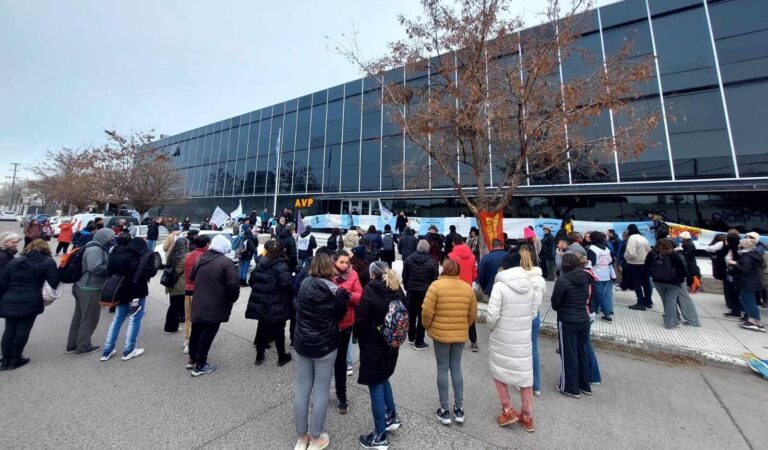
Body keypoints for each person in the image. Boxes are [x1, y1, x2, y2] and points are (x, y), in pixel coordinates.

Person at [293, 253, 349, 450]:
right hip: (325, 344)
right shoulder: (336, 291)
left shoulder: (304, 283)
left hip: (302, 342)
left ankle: (301, 437)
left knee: (302, 389)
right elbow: (340, 315)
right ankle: (316, 436)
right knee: (321, 390)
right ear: (330, 267)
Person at [486, 251, 542, 432]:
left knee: (499, 372)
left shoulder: (500, 286)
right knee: (525, 376)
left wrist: (492, 327)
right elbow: (534, 311)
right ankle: (527, 416)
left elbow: (492, 315)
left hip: (502, 335)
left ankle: (507, 409)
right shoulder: (531, 284)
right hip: (523, 336)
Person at [356, 261, 405, 449]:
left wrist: (358, 336)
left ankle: (379, 436)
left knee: (375, 385)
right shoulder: (396, 287)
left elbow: (361, 319)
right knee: (384, 377)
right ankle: (391, 415)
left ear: (372, 275)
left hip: (373, 345)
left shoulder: (370, 290)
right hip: (392, 344)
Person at [422, 259, 477, 426]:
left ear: (443, 270)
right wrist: (464, 326)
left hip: (440, 335)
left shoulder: (435, 287)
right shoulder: (467, 288)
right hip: (459, 334)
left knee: (442, 368)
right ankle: (459, 408)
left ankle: (444, 410)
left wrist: (427, 326)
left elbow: (426, 311)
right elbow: (472, 313)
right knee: (456, 367)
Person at [0, 239, 60, 370]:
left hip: (10, 298)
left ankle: (5, 360)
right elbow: (54, 281)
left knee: (9, 329)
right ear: (46, 248)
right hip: (32, 298)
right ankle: (16, 358)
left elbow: (3, 281)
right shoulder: (48, 261)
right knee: (23, 329)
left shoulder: (14, 261)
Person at [188, 235, 241, 376]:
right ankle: (200, 365)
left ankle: (192, 359)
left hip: (199, 302)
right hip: (215, 305)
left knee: (196, 330)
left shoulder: (202, 258)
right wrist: (231, 299)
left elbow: (191, 276)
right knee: (208, 333)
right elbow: (233, 285)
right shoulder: (226, 262)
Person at [100, 236, 154, 362]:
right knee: (135, 319)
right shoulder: (136, 257)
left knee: (117, 319)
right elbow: (145, 273)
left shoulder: (114, 254)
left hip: (120, 290)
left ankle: (107, 350)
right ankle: (129, 349)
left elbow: (109, 271)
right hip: (137, 291)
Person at [551, 253, 595, 398]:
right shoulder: (587, 276)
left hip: (567, 320)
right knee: (581, 352)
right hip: (584, 317)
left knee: (568, 353)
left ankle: (570, 387)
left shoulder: (562, 281)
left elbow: (555, 303)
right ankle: (584, 384)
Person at [67, 228, 115, 356]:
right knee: (89, 318)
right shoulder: (95, 249)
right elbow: (94, 267)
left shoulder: (91, 246)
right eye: (111, 237)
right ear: (104, 237)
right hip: (89, 288)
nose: (112, 239)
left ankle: (72, 344)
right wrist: (110, 268)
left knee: (79, 317)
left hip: (82, 286)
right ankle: (83, 346)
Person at [246, 240, 294, 366]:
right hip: (277, 302)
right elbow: (287, 285)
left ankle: (259, 356)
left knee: (262, 329)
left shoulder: (260, 263)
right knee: (279, 331)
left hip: (262, 302)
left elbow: (252, 281)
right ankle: (282, 356)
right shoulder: (282, 265)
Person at [331, 250, 363, 414]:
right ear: (334, 261)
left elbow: (359, 295)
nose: (344, 265)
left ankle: (341, 395)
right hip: (327, 325)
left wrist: (344, 295)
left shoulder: (353, 274)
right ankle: (320, 395)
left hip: (345, 324)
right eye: (341, 262)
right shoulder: (327, 273)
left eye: (346, 262)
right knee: (324, 363)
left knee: (341, 363)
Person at [645, 238, 692, 329]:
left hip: (658, 281)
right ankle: (670, 323)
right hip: (673, 282)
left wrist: (652, 275)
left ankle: (673, 320)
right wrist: (681, 280)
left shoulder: (651, 253)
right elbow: (681, 268)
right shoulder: (673, 254)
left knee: (666, 301)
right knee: (671, 301)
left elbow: (646, 266)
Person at [402, 239, 439, 350]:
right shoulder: (432, 262)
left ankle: (411, 337)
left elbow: (404, 275)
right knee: (423, 316)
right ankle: (419, 341)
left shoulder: (409, 259)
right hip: (425, 293)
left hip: (411, 291)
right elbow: (434, 279)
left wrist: (407, 287)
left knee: (411, 315)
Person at [448, 233, 479, 351]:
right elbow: (475, 273)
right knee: (469, 315)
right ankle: (474, 341)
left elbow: (448, 272)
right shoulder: (471, 256)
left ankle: (452, 340)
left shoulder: (451, 256)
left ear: (453, 243)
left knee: (452, 314)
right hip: (467, 288)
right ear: (463, 242)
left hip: (453, 288)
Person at [728, 235, 765, 332]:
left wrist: (735, 263)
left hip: (748, 281)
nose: (739, 245)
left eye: (741, 244)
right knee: (746, 299)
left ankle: (754, 321)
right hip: (752, 281)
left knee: (749, 301)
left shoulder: (746, 257)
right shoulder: (754, 255)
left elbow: (745, 270)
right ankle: (755, 320)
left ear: (745, 246)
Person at [183, 234, 210, 355]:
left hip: (187, 289)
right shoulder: (205, 257)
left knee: (188, 317)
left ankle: (186, 340)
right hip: (198, 291)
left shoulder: (188, 255)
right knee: (198, 319)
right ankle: (192, 344)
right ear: (206, 244)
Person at [588, 232, 615, 323]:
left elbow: (592, 263)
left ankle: (607, 315)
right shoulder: (606, 248)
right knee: (598, 294)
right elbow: (611, 261)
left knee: (599, 295)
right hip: (606, 274)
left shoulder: (592, 248)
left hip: (596, 274)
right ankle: (594, 310)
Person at [625, 224, 653, 311]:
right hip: (645, 263)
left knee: (636, 284)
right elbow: (649, 251)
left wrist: (626, 257)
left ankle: (640, 302)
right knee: (646, 283)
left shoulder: (632, 238)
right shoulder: (643, 238)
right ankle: (648, 301)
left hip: (635, 263)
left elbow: (631, 253)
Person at [164, 237, 188, 334]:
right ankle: (170, 328)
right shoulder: (185, 257)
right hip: (180, 285)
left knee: (173, 306)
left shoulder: (171, 254)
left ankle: (172, 327)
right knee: (175, 307)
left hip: (171, 284)